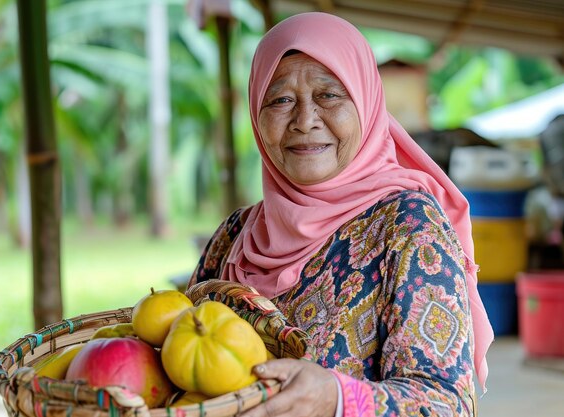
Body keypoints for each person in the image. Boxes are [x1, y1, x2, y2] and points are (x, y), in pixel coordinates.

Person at [188, 12, 493, 417]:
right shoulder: (235, 234)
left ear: (366, 103)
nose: (305, 121)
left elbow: (446, 403)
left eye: (329, 95)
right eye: (280, 100)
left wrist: (336, 397)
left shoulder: (408, 226)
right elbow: (180, 348)